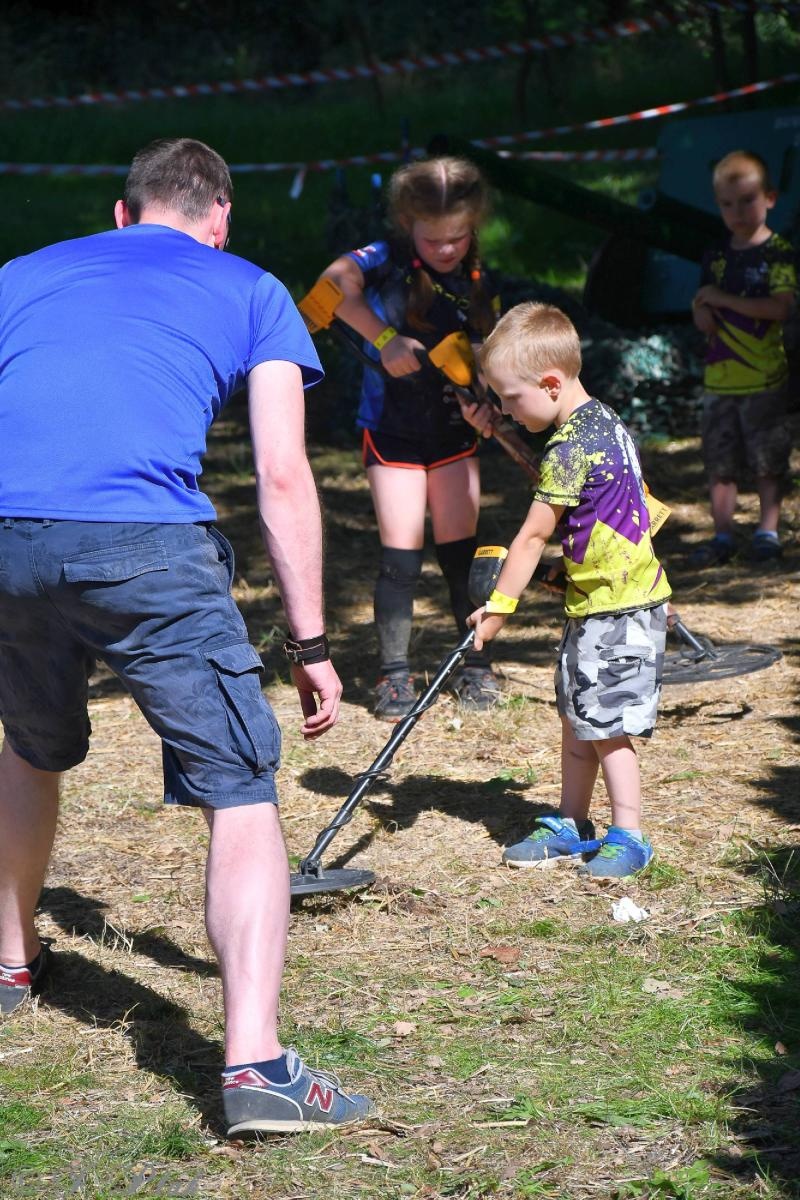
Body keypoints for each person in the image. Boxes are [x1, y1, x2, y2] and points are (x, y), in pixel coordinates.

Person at [0, 138, 372, 1136]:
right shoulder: (250, 288)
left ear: (122, 214)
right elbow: (281, 474)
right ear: (220, 221)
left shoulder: (19, 275)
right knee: (240, 787)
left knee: (29, 745)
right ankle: (256, 1068)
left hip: (7, 540)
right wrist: (310, 644)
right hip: (146, 545)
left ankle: (9, 962)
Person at [468, 303, 672, 880]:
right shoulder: (603, 421)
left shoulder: (568, 447)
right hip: (601, 600)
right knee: (580, 716)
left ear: (551, 384)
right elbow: (624, 510)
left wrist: (499, 609)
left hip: (620, 608)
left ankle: (629, 835)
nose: (506, 411)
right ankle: (572, 822)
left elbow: (532, 536)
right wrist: (576, 565)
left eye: (511, 398)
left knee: (608, 727)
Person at [317, 156, 501, 722]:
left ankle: (475, 665)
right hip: (392, 432)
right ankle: (393, 676)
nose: (447, 249)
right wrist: (385, 339)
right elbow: (330, 287)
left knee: (461, 556)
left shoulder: (476, 277)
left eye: (458, 237)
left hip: (452, 433)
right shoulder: (383, 258)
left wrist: (487, 404)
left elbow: (486, 353)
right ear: (407, 222)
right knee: (401, 558)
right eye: (433, 238)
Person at [690, 149, 796, 566]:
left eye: (748, 200)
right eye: (727, 204)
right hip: (720, 379)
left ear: (770, 198)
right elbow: (702, 305)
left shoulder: (779, 252)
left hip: (765, 378)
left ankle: (767, 532)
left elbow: (781, 308)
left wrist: (723, 300)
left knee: (768, 461)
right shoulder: (716, 256)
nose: (737, 211)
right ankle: (723, 535)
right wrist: (702, 313)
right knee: (720, 462)